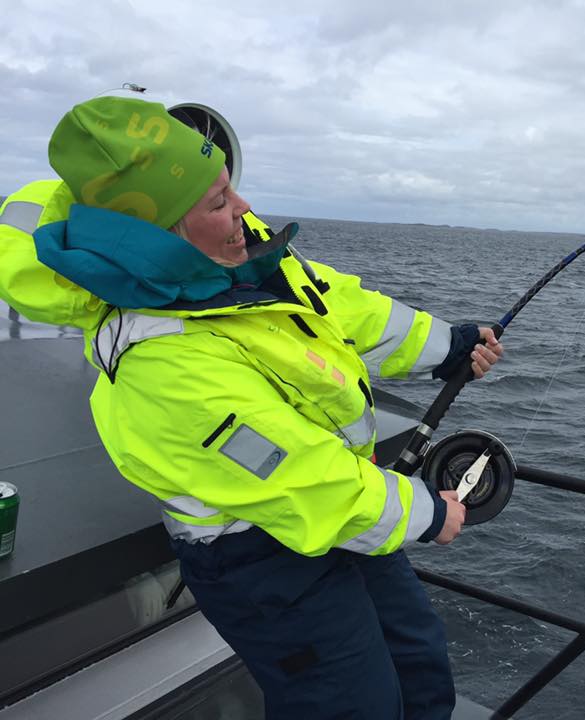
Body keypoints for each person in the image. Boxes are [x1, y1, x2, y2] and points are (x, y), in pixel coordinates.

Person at [0, 96, 503, 719]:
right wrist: (426, 513)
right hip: (261, 556)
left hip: (343, 510)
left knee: (420, 670)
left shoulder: (236, 253)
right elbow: (292, 474)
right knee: (350, 705)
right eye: (217, 202)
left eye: (230, 187)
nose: (243, 209)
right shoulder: (161, 361)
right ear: (157, 237)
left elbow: (327, 298)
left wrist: (444, 346)